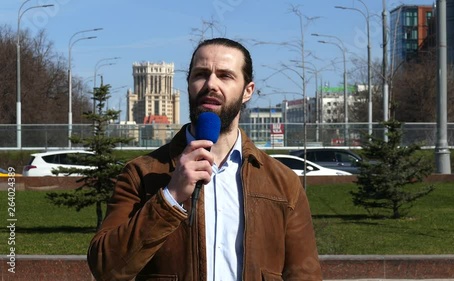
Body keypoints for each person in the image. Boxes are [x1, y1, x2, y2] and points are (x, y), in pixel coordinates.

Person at [87, 37, 322, 281]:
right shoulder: (141, 174)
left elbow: (304, 275)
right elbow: (106, 269)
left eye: (225, 76)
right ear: (188, 85)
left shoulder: (283, 184)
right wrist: (170, 197)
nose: (211, 84)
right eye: (201, 74)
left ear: (247, 91)